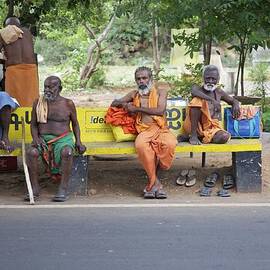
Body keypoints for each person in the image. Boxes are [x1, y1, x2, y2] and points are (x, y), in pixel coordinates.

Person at [111, 66, 177, 199]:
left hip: (160, 129)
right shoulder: (134, 94)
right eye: (138, 79)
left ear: (150, 79)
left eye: (144, 78)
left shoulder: (160, 92)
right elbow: (115, 102)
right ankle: (155, 184)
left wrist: (137, 109)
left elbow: (160, 111)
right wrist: (125, 105)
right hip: (143, 130)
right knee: (141, 146)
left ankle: (153, 182)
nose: (141, 81)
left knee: (170, 143)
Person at [26, 76, 86, 202]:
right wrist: (36, 139)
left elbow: (75, 124)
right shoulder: (38, 103)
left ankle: (63, 188)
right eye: (45, 87)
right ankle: (35, 188)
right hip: (43, 139)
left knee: (67, 152)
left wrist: (79, 141)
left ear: (60, 88)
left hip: (63, 139)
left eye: (51, 87)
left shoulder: (68, 104)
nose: (47, 90)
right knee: (31, 152)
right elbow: (33, 125)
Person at [181, 64, 240, 145]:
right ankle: (194, 136)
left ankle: (200, 137)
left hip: (211, 129)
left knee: (224, 137)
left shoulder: (218, 92)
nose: (210, 81)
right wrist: (212, 100)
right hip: (195, 128)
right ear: (203, 78)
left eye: (213, 79)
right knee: (196, 101)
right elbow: (193, 92)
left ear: (218, 80)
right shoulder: (197, 88)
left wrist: (236, 104)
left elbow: (233, 100)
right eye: (208, 78)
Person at [0, 16, 39, 106]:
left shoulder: (4, 32)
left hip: (14, 69)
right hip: (31, 69)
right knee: (31, 98)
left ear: (7, 26)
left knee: (13, 100)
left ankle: (14, 118)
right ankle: (31, 117)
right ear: (19, 25)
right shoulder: (27, 32)